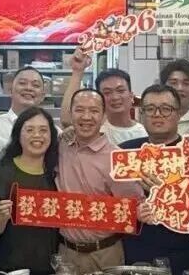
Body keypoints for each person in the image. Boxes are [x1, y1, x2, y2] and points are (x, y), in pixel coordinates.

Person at [120, 85, 189, 274]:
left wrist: (171, 196)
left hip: (188, 255)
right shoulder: (124, 153)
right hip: (137, 255)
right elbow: (110, 203)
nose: (157, 115)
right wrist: (131, 212)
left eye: (166, 109)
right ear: (141, 114)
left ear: (179, 114)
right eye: (150, 109)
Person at [57, 88, 144, 273]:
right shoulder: (60, 146)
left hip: (105, 252)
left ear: (104, 116)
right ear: (71, 114)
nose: (86, 117)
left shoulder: (118, 159)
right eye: (79, 110)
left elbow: (135, 206)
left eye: (94, 111)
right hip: (65, 252)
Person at [0, 106, 61, 275]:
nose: (37, 135)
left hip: (50, 266)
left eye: (43, 130)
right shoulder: (5, 173)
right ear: (18, 135)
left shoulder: (57, 173)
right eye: (29, 130)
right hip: (12, 266)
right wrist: (2, 217)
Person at [61, 51, 147, 145]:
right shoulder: (93, 129)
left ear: (131, 96)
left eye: (120, 90)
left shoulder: (146, 132)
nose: (115, 97)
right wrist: (78, 71)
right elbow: (67, 120)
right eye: (107, 92)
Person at [0, 66, 47, 143]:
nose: (28, 88)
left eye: (35, 85)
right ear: (10, 90)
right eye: (22, 83)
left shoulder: (52, 131)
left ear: (43, 96)